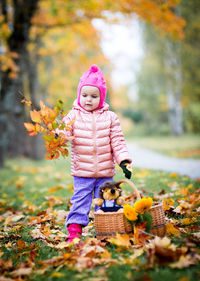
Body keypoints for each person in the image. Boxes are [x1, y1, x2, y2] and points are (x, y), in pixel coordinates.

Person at [56, 64, 132, 243]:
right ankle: (74, 231)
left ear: (101, 97)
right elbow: (64, 132)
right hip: (82, 172)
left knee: (106, 203)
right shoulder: (72, 116)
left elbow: (118, 141)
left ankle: (105, 232)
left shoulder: (110, 117)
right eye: (84, 95)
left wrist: (123, 161)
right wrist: (58, 136)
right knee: (80, 202)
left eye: (94, 96)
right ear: (79, 95)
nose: (88, 99)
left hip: (105, 172)